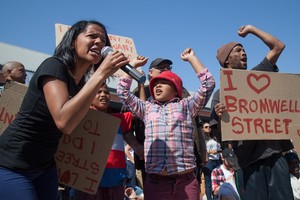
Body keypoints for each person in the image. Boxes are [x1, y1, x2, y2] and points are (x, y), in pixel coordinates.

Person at [0, 20, 129, 200]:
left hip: (44, 166)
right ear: (72, 41)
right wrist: (100, 74)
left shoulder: (82, 83)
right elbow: (64, 122)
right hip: (12, 163)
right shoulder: (54, 66)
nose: (100, 42)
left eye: (103, 40)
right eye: (92, 36)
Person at [117, 47, 215, 200]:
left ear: (176, 89)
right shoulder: (147, 108)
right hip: (156, 183)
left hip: (186, 181)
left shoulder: (187, 106)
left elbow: (208, 84)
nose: (157, 86)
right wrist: (133, 66)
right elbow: (123, 92)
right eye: (155, 84)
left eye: (163, 82)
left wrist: (192, 59)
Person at [210, 24, 294, 200]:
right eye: (238, 50)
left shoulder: (258, 76)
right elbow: (219, 136)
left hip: (274, 154)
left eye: (244, 50)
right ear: (227, 61)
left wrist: (252, 30)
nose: (244, 53)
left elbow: (278, 46)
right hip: (247, 162)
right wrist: (221, 118)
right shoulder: (221, 94)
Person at [76, 83, 143, 200]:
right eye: (98, 92)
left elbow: (142, 111)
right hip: (88, 183)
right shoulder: (82, 117)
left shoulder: (118, 120)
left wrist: (140, 84)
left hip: (115, 181)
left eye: (106, 92)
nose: (103, 95)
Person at [202, 122, 221, 200]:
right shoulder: (202, 139)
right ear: (203, 129)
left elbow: (219, 148)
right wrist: (210, 152)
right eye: (206, 127)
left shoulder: (214, 138)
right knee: (208, 182)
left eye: (209, 127)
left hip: (217, 160)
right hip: (209, 161)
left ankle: (216, 198)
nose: (208, 128)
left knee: (217, 181)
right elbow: (202, 151)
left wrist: (219, 151)